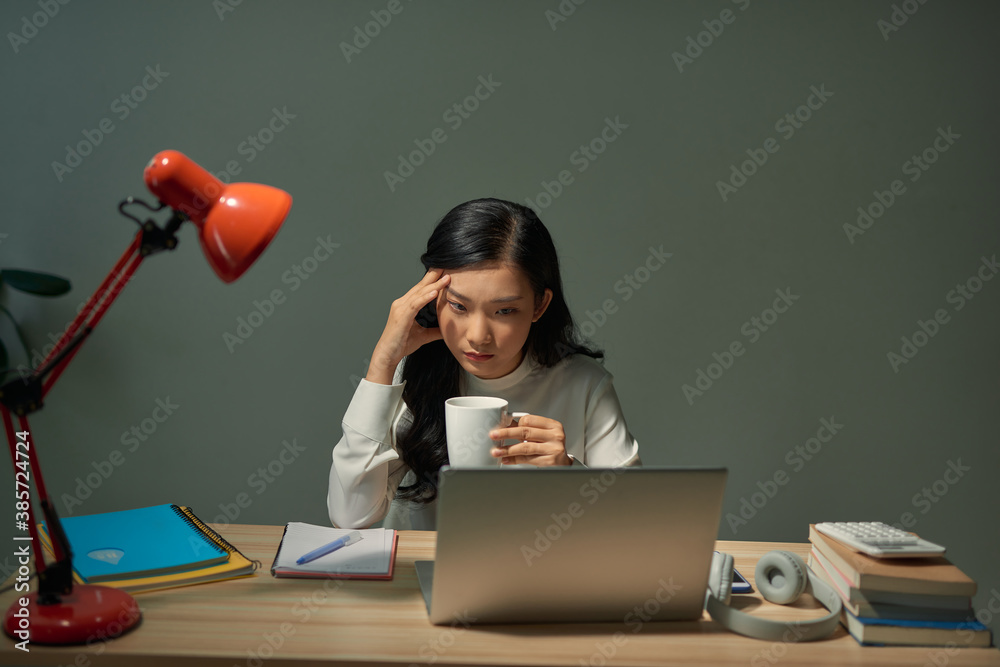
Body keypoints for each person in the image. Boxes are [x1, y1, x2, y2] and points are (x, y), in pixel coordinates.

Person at [327, 198, 640, 530]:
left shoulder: (584, 384)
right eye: (459, 306)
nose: (477, 336)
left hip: (537, 576)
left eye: (504, 311)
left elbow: (635, 527)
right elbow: (350, 515)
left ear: (539, 305)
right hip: (420, 574)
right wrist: (383, 364)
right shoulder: (414, 375)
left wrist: (567, 474)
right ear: (433, 298)